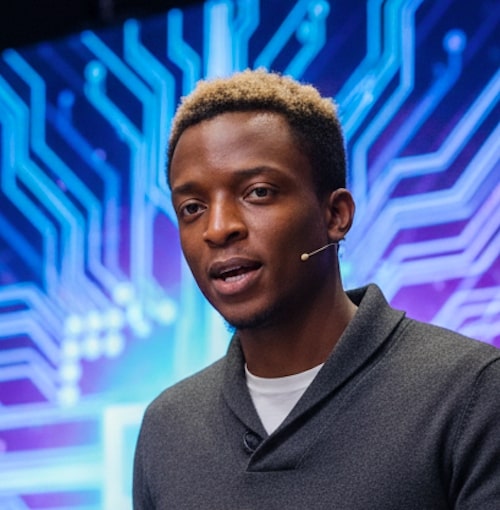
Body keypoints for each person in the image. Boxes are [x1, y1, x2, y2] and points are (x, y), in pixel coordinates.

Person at [133, 69, 500, 509]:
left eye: (258, 192)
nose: (218, 228)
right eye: (192, 208)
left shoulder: (471, 393)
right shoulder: (166, 428)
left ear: (336, 215)